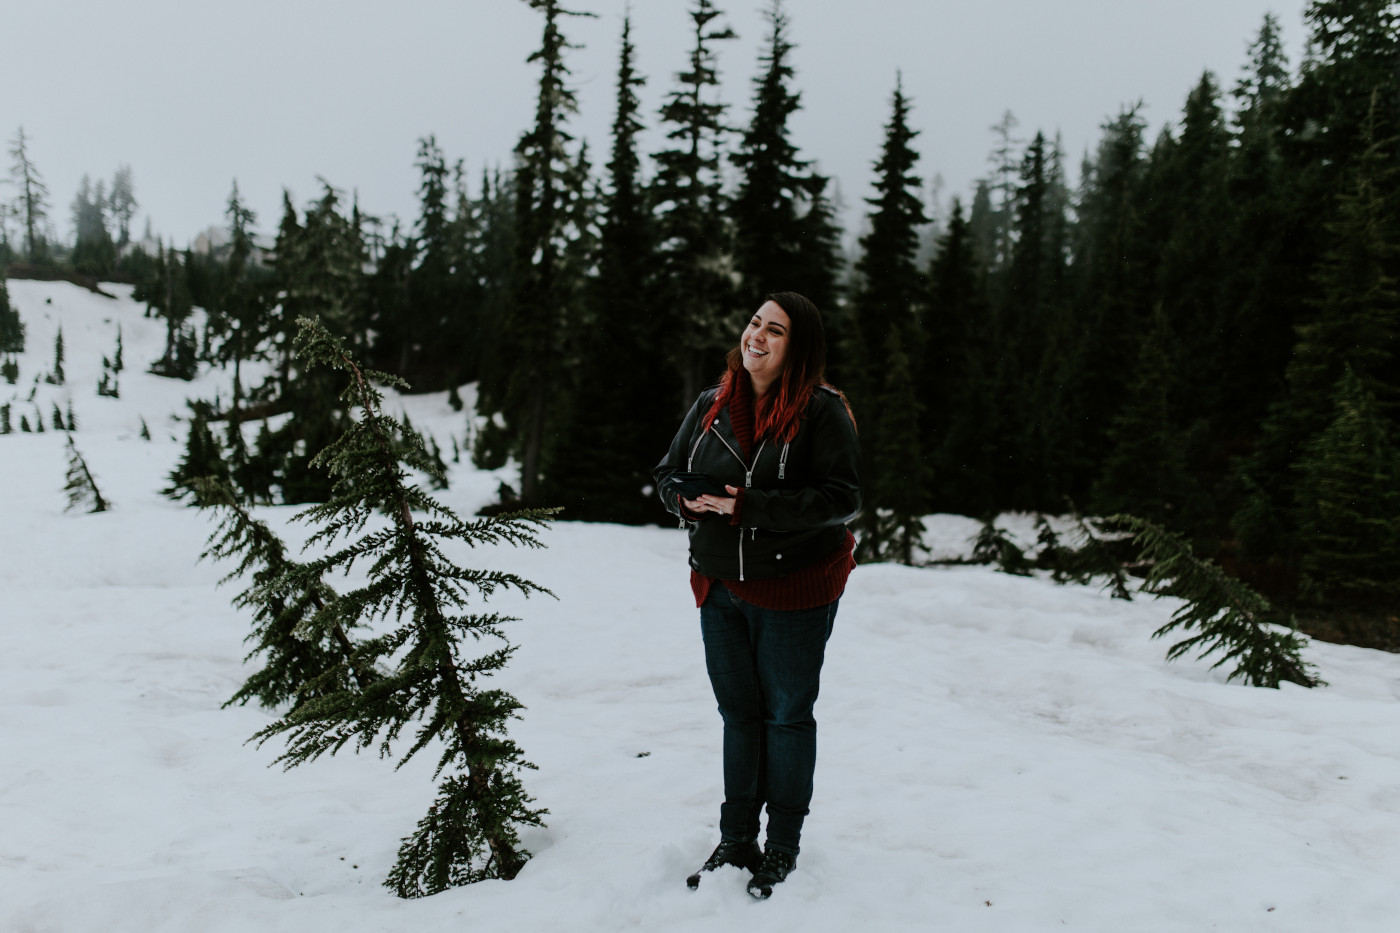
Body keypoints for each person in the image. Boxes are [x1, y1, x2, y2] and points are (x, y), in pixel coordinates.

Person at [654, 291, 861, 899]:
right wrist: (683, 497)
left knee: (787, 717)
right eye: (754, 323)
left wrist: (749, 507)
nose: (757, 336)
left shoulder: (823, 412)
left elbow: (841, 499)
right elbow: (666, 472)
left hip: (794, 588)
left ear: (798, 348)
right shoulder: (711, 403)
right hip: (720, 585)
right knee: (739, 717)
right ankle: (737, 838)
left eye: (775, 330)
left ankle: (783, 846)